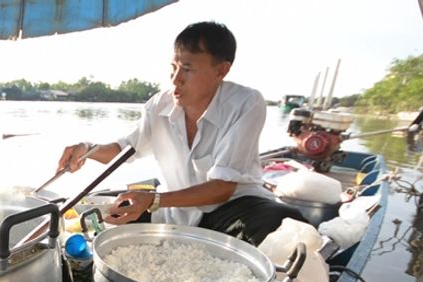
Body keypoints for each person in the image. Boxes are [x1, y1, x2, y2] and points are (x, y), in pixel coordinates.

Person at [56, 21, 306, 245]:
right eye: (173, 67)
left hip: (231, 209)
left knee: (282, 219)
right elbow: (124, 149)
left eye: (187, 69)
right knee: (107, 215)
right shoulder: (159, 105)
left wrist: (154, 200)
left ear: (221, 70)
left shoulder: (246, 103)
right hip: (172, 209)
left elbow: (223, 188)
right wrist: (87, 150)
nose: (176, 79)